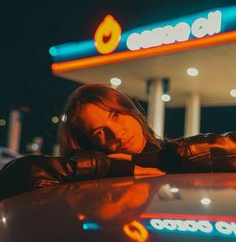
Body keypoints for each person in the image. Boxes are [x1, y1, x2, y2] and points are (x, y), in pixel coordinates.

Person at [1, 83, 236, 200]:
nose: (117, 133)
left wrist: (194, 154)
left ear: (131, 111)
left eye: (115, 115)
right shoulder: (94, 172)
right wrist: (104, 167)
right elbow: (17, 175)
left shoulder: (180, 153)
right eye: (100, 132)